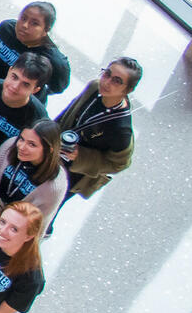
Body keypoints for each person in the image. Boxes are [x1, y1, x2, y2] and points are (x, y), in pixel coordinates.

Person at [53, 57, 140, 210]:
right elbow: (69, 112)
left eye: (117, 81)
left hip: (74, 172)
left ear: (128, 90)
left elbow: (120, 164)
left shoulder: (120, 129)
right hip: (56, 151)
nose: (106, 82)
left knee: (52, 204)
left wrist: (81, 156)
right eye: (107, 74)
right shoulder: (94, 87)